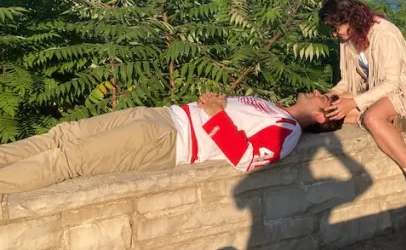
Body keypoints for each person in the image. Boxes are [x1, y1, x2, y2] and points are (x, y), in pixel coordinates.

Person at [0, 91, 341, 194]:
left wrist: (216, 112)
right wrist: (215, 104)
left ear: (322, 117)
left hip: (167, 139)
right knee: (62, 135)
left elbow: (248, 160)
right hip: (159, 116)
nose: (317, 91)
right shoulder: (272, 106)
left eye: (323, 98)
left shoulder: (286, 129)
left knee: (68, 159)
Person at [318, 0, 406, 219]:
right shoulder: (348, 39)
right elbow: (350, 80)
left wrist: (354, 102)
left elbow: (391, 82)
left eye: (336, 27)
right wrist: (334, 93)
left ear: (350, 20)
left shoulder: (384, 33)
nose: (334, 34)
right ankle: (391, 121)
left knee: (372, 118)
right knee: (329, 111)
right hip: (376, 88)